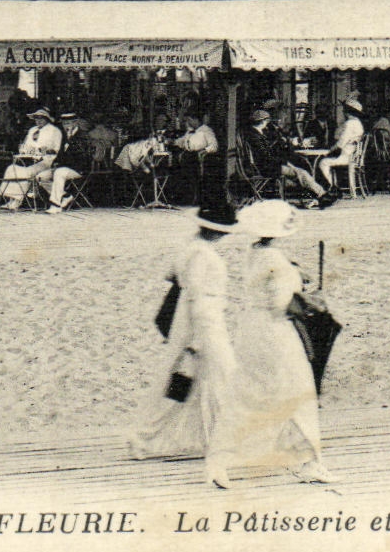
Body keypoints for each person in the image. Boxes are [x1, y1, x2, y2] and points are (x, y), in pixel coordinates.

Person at [127, 191, 243, 488]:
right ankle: (213, 441)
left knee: (183, 382)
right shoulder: (206, 256)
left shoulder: (189, 248)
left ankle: (152, 437)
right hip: (204, 322)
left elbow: (173, 278)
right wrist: (199, 339)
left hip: (188, 318)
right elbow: (199, 298)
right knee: (217, 378)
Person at [229, 200, 335, 484]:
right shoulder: (276, 259)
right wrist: (311, 300)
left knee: (262, 388)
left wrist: (294, 276)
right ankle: (308, 461)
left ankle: (267, 449)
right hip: (275, 330)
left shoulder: (255, 252)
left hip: (250, 327)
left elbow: (267, 284)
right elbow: (282, 304)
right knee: (297, 390)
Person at [243, 109, 333, 208]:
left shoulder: (256, 134)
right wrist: (284, 162)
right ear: (263, 121)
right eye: (266, 121)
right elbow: (266, 156)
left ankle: (319, 195)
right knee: (301, 172)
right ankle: (321, 195)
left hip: (268, 165)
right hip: (266, 168)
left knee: (300, 171)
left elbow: (268, 154)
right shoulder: (256, 137)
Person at [0, 107, 64, 210]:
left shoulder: (55, 131)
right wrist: (25, 150)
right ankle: (11, 199)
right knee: (12, 168)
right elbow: (26, 145)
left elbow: (56, 149)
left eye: (41, 118)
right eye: (36, 118)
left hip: (46, 161)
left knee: (26, 172)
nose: (38, 120)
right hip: (29, 160)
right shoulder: (32, 130)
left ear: (47, 119)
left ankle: (17, 201)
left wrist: (42, 151)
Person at [315, 97, 365, 195]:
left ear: (348, 111)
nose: (342, 111)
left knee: (323, 162)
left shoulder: (350, 124)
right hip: (352, 156)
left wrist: (329, 151)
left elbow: (341, 143)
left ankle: (330, 188)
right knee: (326, 160)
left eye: (344, 109)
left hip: (346, 156)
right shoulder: (358, 123)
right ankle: (333, 186)